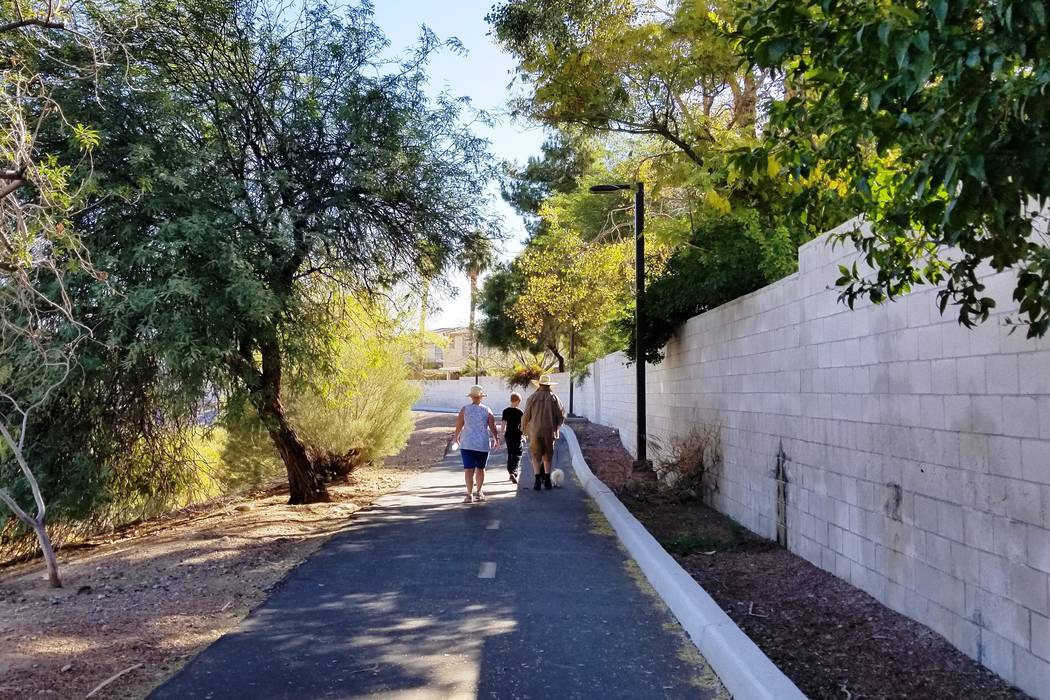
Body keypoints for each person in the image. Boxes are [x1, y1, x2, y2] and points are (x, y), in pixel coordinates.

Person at [453, 385, 500, 503]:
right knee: (480, 468)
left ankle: (469, 494)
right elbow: (492, 426)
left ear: (471, 397)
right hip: (482, 443)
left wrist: (456, 437)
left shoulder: (465, 409)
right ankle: (479, 491)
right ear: (481, 397)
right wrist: (496, 439)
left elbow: (459, 424)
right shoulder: (487, 410)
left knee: (468, 469)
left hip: (467, 443)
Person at [522, 374, 565, 491]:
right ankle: (547, 481)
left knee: (536, 456)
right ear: (549, 385)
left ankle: (536, 482)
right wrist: (557, 426)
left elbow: (526, 416)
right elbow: (562, 415)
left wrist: (524, 430)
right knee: (547, 455)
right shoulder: (554, 398)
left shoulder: (532, 397)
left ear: (539, 384)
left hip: (535, 431)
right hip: (549, 431)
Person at [501, 392, 524, 483]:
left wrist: (501, 434)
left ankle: (510, 471)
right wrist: (524, 435)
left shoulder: (505, 411)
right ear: (518, 401)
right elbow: (522, 425)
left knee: (510, 453)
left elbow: (503, 423)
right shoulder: (520, 412)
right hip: (517, 435)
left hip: (508, 435)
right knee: (517, 453)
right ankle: (514, 472)